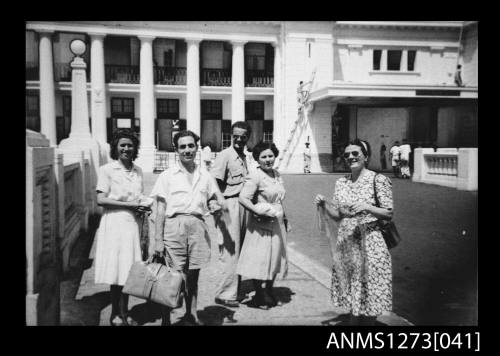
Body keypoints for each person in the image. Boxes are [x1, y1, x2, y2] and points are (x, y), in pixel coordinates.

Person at [314, 139, 394, 325]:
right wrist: (324, 203)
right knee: (353, 290)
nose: (351, 157)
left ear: (366, 156)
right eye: (347, 154)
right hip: (347, 243)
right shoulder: (341, 182)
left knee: (369, 291)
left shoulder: (378, 179)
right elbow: (338, 215)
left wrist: (367, 207)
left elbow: (388, 212)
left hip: (370, 242)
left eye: (355, 153)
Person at [151, 130, 227, 325]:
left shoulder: (205, 176)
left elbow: (217, 200)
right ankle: (166, 319)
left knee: (193, 274)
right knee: (172, 277)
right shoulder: (167, 176)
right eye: (183, 146)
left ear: (196, 148)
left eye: (191, 146)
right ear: (176, 149)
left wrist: (215, 205)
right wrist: (158, 240)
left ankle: (191, 314)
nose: (187, 150)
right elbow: (160, 210)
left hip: (198, 227)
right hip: (173, 226)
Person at [94, 129, 152, 326]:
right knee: (116, 269)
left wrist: (145, 205)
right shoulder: (107, 170)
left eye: (130, 145)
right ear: (116, 148)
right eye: (122, 145)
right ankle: (116, 315)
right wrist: (131, 205)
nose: (126, 148)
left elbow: (138, 197)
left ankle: (124, 312)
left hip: (133, 225)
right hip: (115, 223)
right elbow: (101, 199)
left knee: (128, 271)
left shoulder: (138, 171)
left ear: (135, 148)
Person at [237, 141, 289, 309]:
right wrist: (257, 211)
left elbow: (280, 199)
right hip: (261, 224)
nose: (268, 159)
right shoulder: (255, 175)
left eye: (270, 156)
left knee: (274, 257)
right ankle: (259, 294)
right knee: (259, 259)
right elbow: (243, 198)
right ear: (258, 159)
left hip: (277, 221)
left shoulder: (277, 174)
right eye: (264, 157)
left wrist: (286, 218)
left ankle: (268, 289)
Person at [210, 121, 252, 308]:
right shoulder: (225, 155)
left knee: (240, 250)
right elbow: (213, 182)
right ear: (231, 135)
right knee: (229, 250)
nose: (239, 139)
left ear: (247, 137)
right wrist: (222, 207)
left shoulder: (243, 156)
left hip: (241, 206)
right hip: (228, 205)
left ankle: (234, 290)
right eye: (236, 135)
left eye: (243, 136)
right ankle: (225, 293)